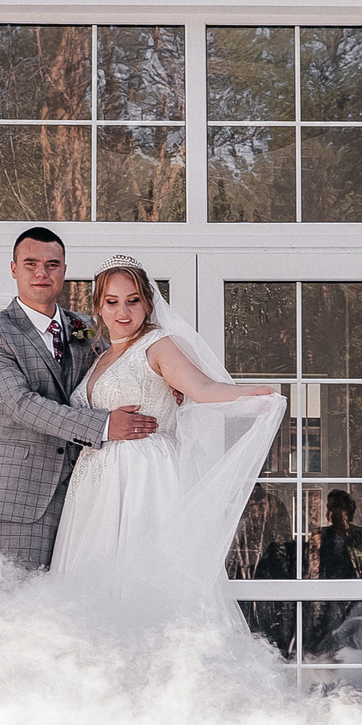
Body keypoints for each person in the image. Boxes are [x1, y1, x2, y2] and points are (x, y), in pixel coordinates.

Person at [49, 256, 286, 616]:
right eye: (112, 302)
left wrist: (256, 394)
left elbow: (203, 389)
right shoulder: (98, 355)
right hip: (94, 485)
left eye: (133, 300)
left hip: (142, 474)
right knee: (92, 581)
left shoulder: (158, 345)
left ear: (148, 301)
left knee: (140, 576)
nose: (123, 311)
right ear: (98, 306)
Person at [0, 227, 162, 571]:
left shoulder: (86, 326)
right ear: (13, 269)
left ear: (64, 270)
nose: (42, 273)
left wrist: (163, 378)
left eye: (52, 264)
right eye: (31, 264)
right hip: (25, 501)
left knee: (84, 603)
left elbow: (120, 367)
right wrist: (103, 425)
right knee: (24, 610)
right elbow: (20, 404)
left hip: (90, 496)